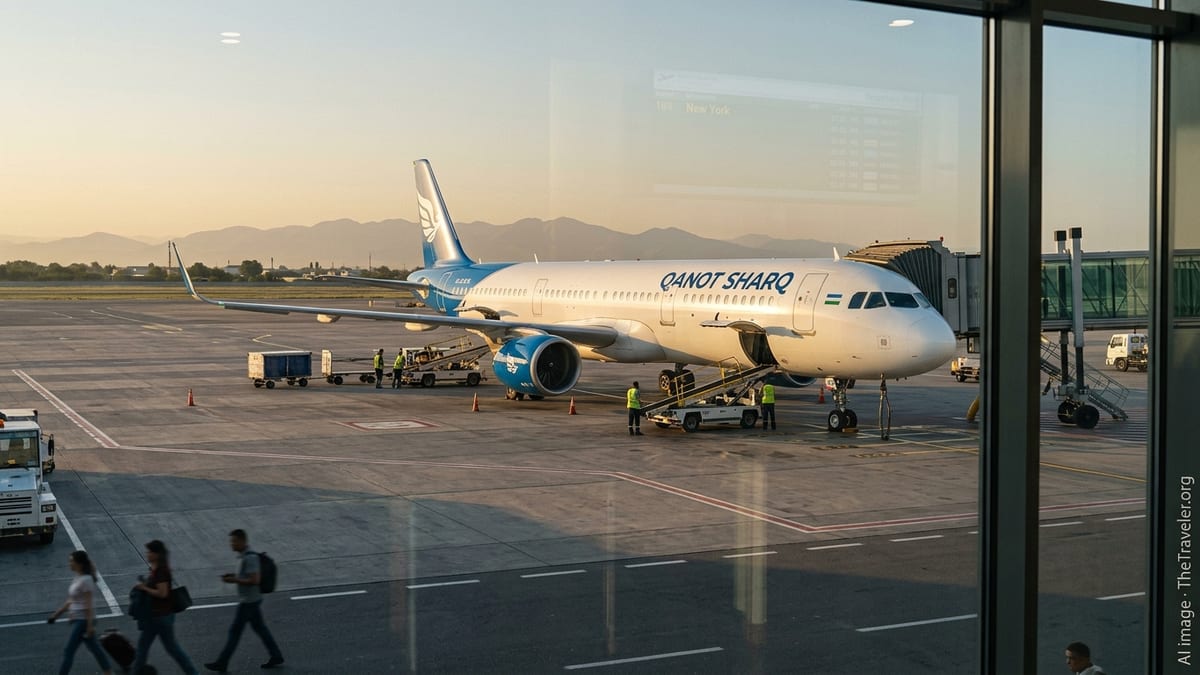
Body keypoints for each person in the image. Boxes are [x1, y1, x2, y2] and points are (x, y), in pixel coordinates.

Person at [205, 529, 284, 672]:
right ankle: (276, 655)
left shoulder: (250, 558)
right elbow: (246, 575)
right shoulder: (243, 557)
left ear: (242, 541)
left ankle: (222, 662)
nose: (232, 544)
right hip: (251, 600)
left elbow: (255, 580)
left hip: (249, 601)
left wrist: (234, 580)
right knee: (260, 629)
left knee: (235, 632)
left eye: (234, 541)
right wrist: (233, 576)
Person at [132, 540, 199, 675]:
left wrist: (144, 588)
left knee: (146, 648)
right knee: (168, 648)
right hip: (159, 616)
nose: (147, 554)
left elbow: (163, 593)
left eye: (150, 552)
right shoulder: (156, 569)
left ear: (157, 554)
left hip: (159, 617)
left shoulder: (161, 571)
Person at [49, 550, 113, 675]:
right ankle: (108, 672)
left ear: (79, 563)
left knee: (69, 651)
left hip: (83, 621)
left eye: (71, 561)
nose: (69, 563)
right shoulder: (78, 578)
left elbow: (89, 604)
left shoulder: (86, 580)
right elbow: (72, 600)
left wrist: (89, 626)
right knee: (94, 648)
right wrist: (56, 615)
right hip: (80, 619)